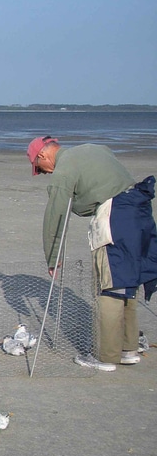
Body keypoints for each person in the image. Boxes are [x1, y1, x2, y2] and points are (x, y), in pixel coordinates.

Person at [27, 135, 157, 371]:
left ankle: (106, 357)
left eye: (40, 168)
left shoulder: (64, 170)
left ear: (43, 155)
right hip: (141, 213)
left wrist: (53, 258)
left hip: (115, 218)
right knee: (128, 282)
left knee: (109, 286)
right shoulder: (94, 148)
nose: (45, 173)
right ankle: (128, 350)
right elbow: (102, 187)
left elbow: (56, 216)